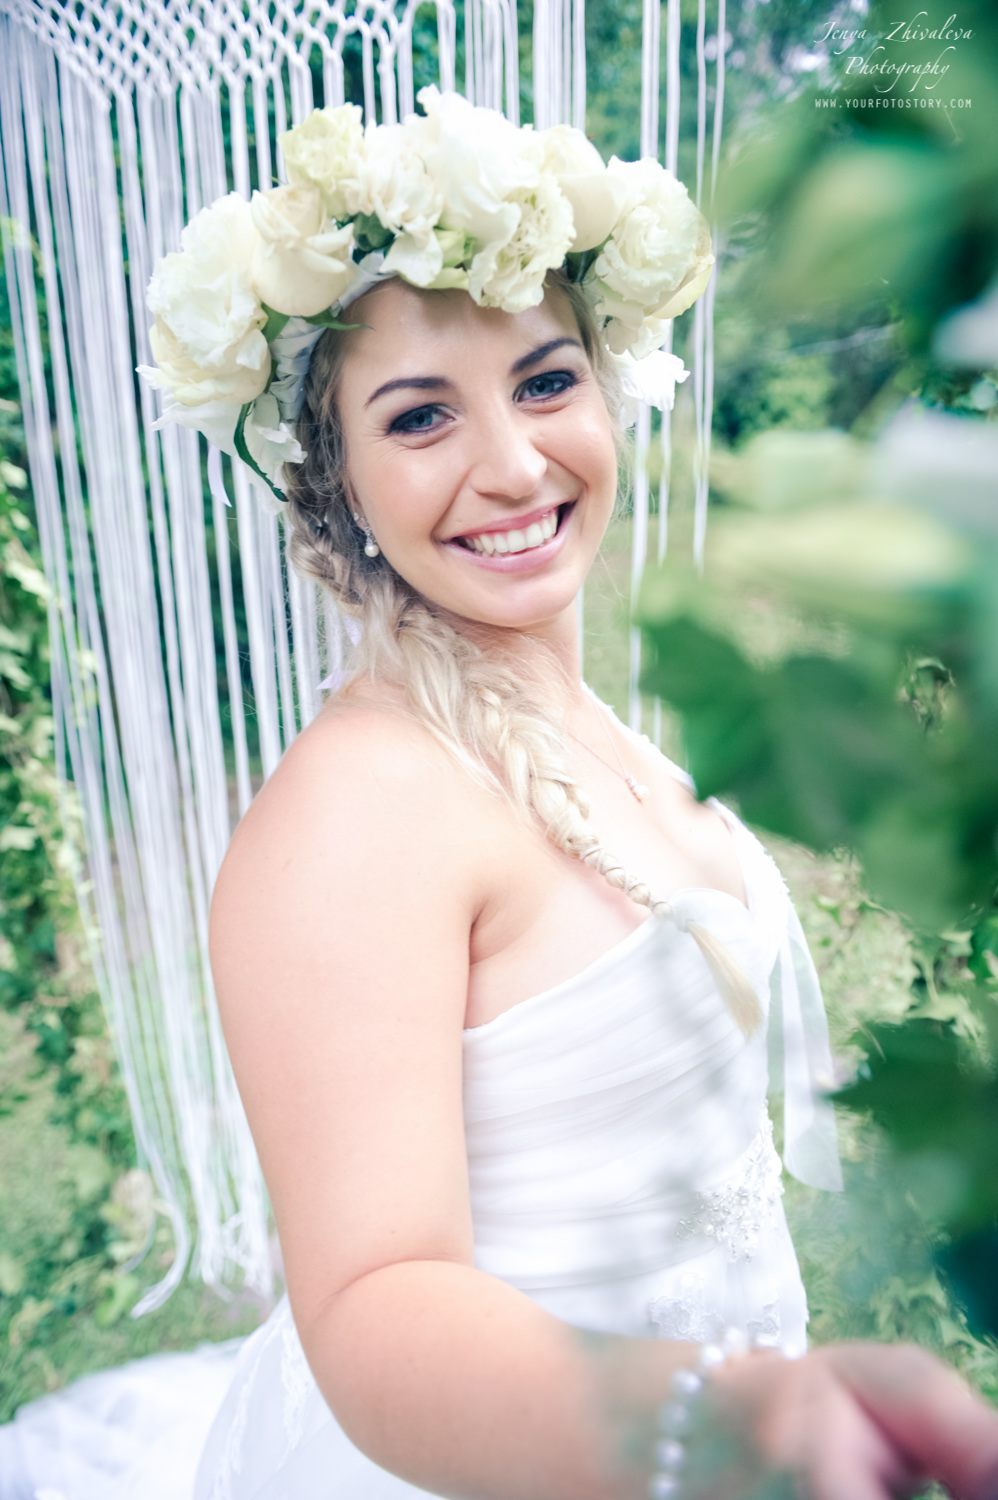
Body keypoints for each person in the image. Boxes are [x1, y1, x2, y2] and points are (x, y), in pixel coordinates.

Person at [3, 88, 998, 1500]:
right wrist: (722, 1420)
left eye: (543, 383)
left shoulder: (575, 719)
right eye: (420, 417)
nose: (517, 465)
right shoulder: (355, 817)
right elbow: (377, 1305)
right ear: (337, 484)